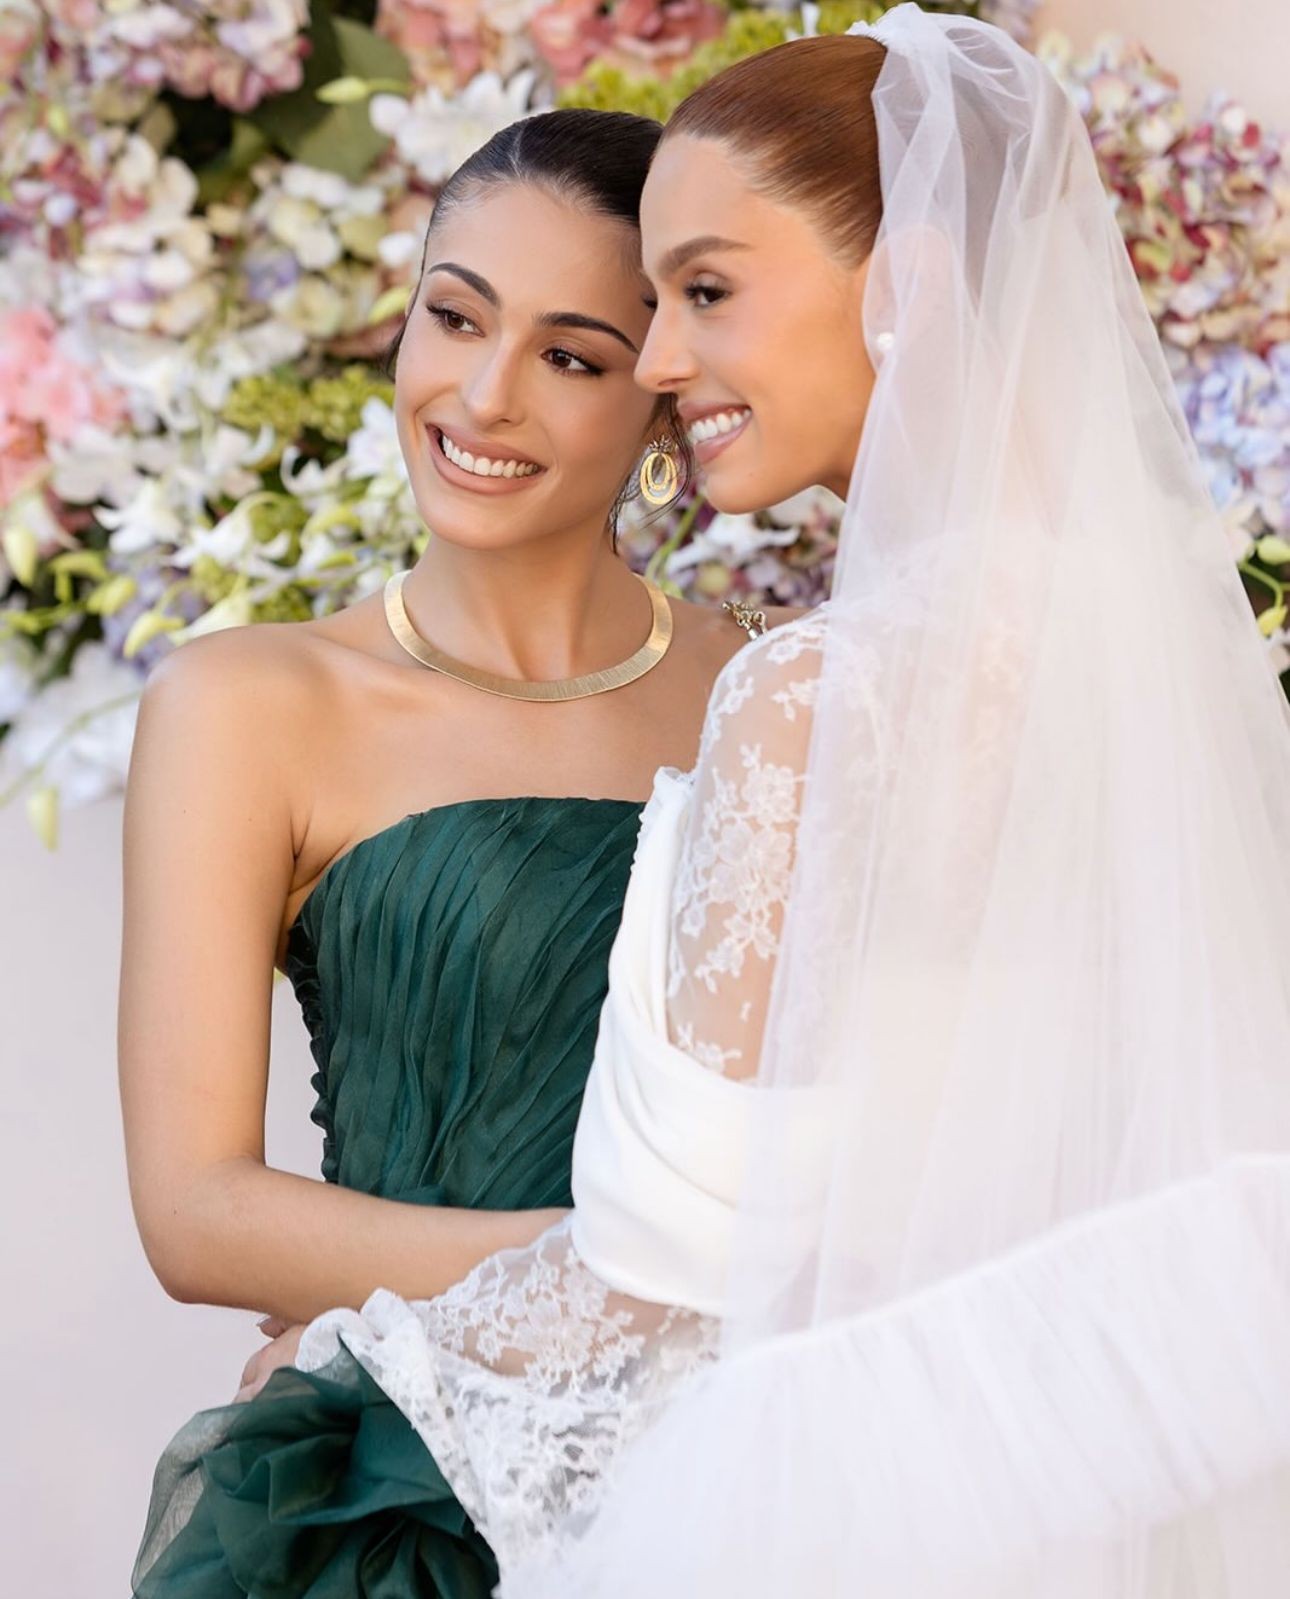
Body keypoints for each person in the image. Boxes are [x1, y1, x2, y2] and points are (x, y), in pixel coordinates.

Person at [274, 10, 1290, 1598]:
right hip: (1061, 1484)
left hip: (813, 1515)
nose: (659, 363)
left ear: (912, 289)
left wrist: (357, 1359)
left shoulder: (820, 694)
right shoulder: (1157, 645)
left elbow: (677, 1260)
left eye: (706, 291)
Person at [122, 109, 776, 1597]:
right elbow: (196, 1212)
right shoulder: (249, 703)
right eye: (456, 317)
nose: (482, 396)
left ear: (664, 398)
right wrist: (638, 1288)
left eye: (572, 357)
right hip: (403, 1495)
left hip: (743, 1481)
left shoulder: (778, 691)